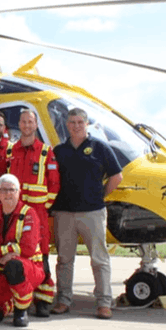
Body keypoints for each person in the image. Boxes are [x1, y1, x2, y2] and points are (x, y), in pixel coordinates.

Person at [51, 108, 121, 319]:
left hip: (92, 212)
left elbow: (117, 176)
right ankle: (63, 300)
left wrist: (100, 196)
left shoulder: (100, 148)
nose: (76, 125)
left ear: (87, 124)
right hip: (64, 213)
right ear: (67, 124)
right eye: (72, 122)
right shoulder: (59, 151)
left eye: (80, 122)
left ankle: (104, 303)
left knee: (99, 259)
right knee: (64, 259)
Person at [5, 109, 60, 317]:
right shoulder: (11, 151)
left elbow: (54, 184)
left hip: (37, 215)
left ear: (36, 125)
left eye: (30, 122)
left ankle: (43, 299)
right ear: (19, 124)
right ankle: (20, 297)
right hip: (14, 214)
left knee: (41, 255)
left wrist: (43, 208)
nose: (27, 125)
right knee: (16, 255)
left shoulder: (46, 152)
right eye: (24, 121)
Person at [0, 174, 45, 327]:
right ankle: (11, 303)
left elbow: (28, 248)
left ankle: (21, 310)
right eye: (3, 190)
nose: (7, 193)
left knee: (14, 265)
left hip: (30, 270)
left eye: (11, 190)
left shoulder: (29, 213)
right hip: (2, 271)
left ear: (19, 192)